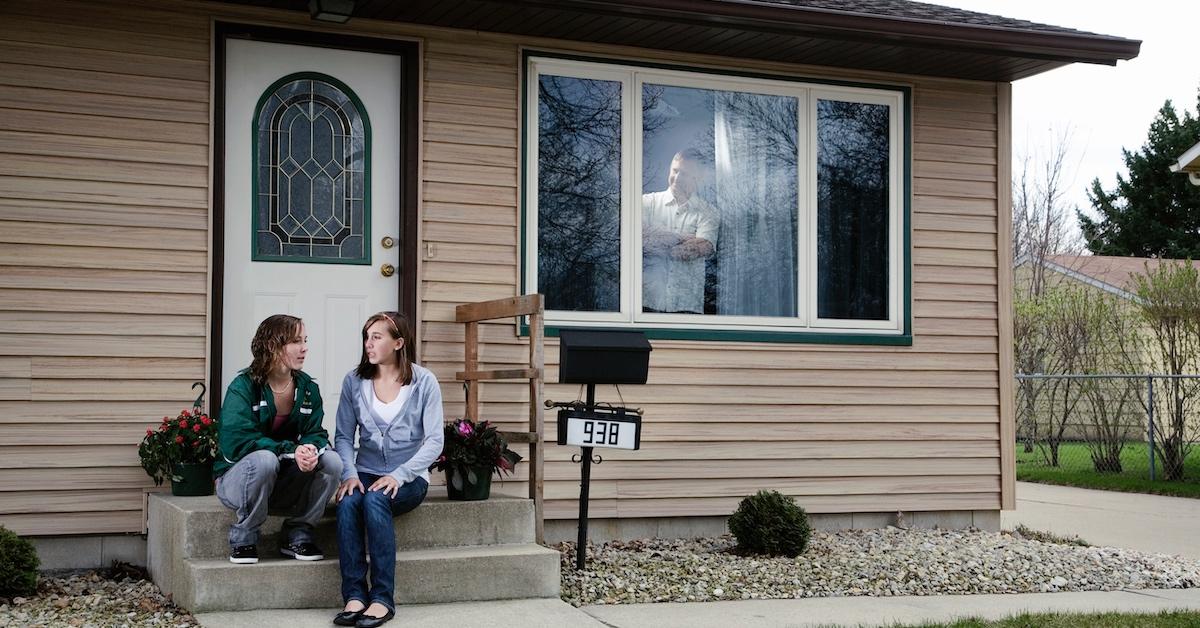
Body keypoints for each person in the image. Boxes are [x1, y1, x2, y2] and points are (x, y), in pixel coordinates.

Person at [332, 311, 444, 628]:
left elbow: (435, 441)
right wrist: (349, 474)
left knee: (374, 500)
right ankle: (354, 595)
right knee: (349, 501)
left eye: (376, 337)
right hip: (364, 471)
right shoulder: (354, 381)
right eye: (366, 337)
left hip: (408, 477)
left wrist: (399, 475)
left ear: (398, 342)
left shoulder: (424, 382)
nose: (368, 344)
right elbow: (343, 436)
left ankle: (382, 598)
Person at [214, 314, 342, 565]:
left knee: (333, 462)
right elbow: (237, 444)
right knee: (264, 459)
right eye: (296, 341)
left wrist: (309, 450)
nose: (304, 348)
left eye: (305, 340)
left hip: (282, 483)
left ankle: (298, 533)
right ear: (273, 345)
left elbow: (315, 433)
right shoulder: (243, 387)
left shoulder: (307, 388)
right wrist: (292, 450)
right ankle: (244, 538)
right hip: (238, 482)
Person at [642, 148, 719, 314]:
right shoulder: (647, 203)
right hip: (647, 302)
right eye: (675, 171)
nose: (676, 178)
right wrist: (681, 237)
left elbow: (702, 247)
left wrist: (656, 237)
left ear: (697, 178)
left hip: (686, 306)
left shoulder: (709, 212)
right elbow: (639, 242)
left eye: (684, 174)